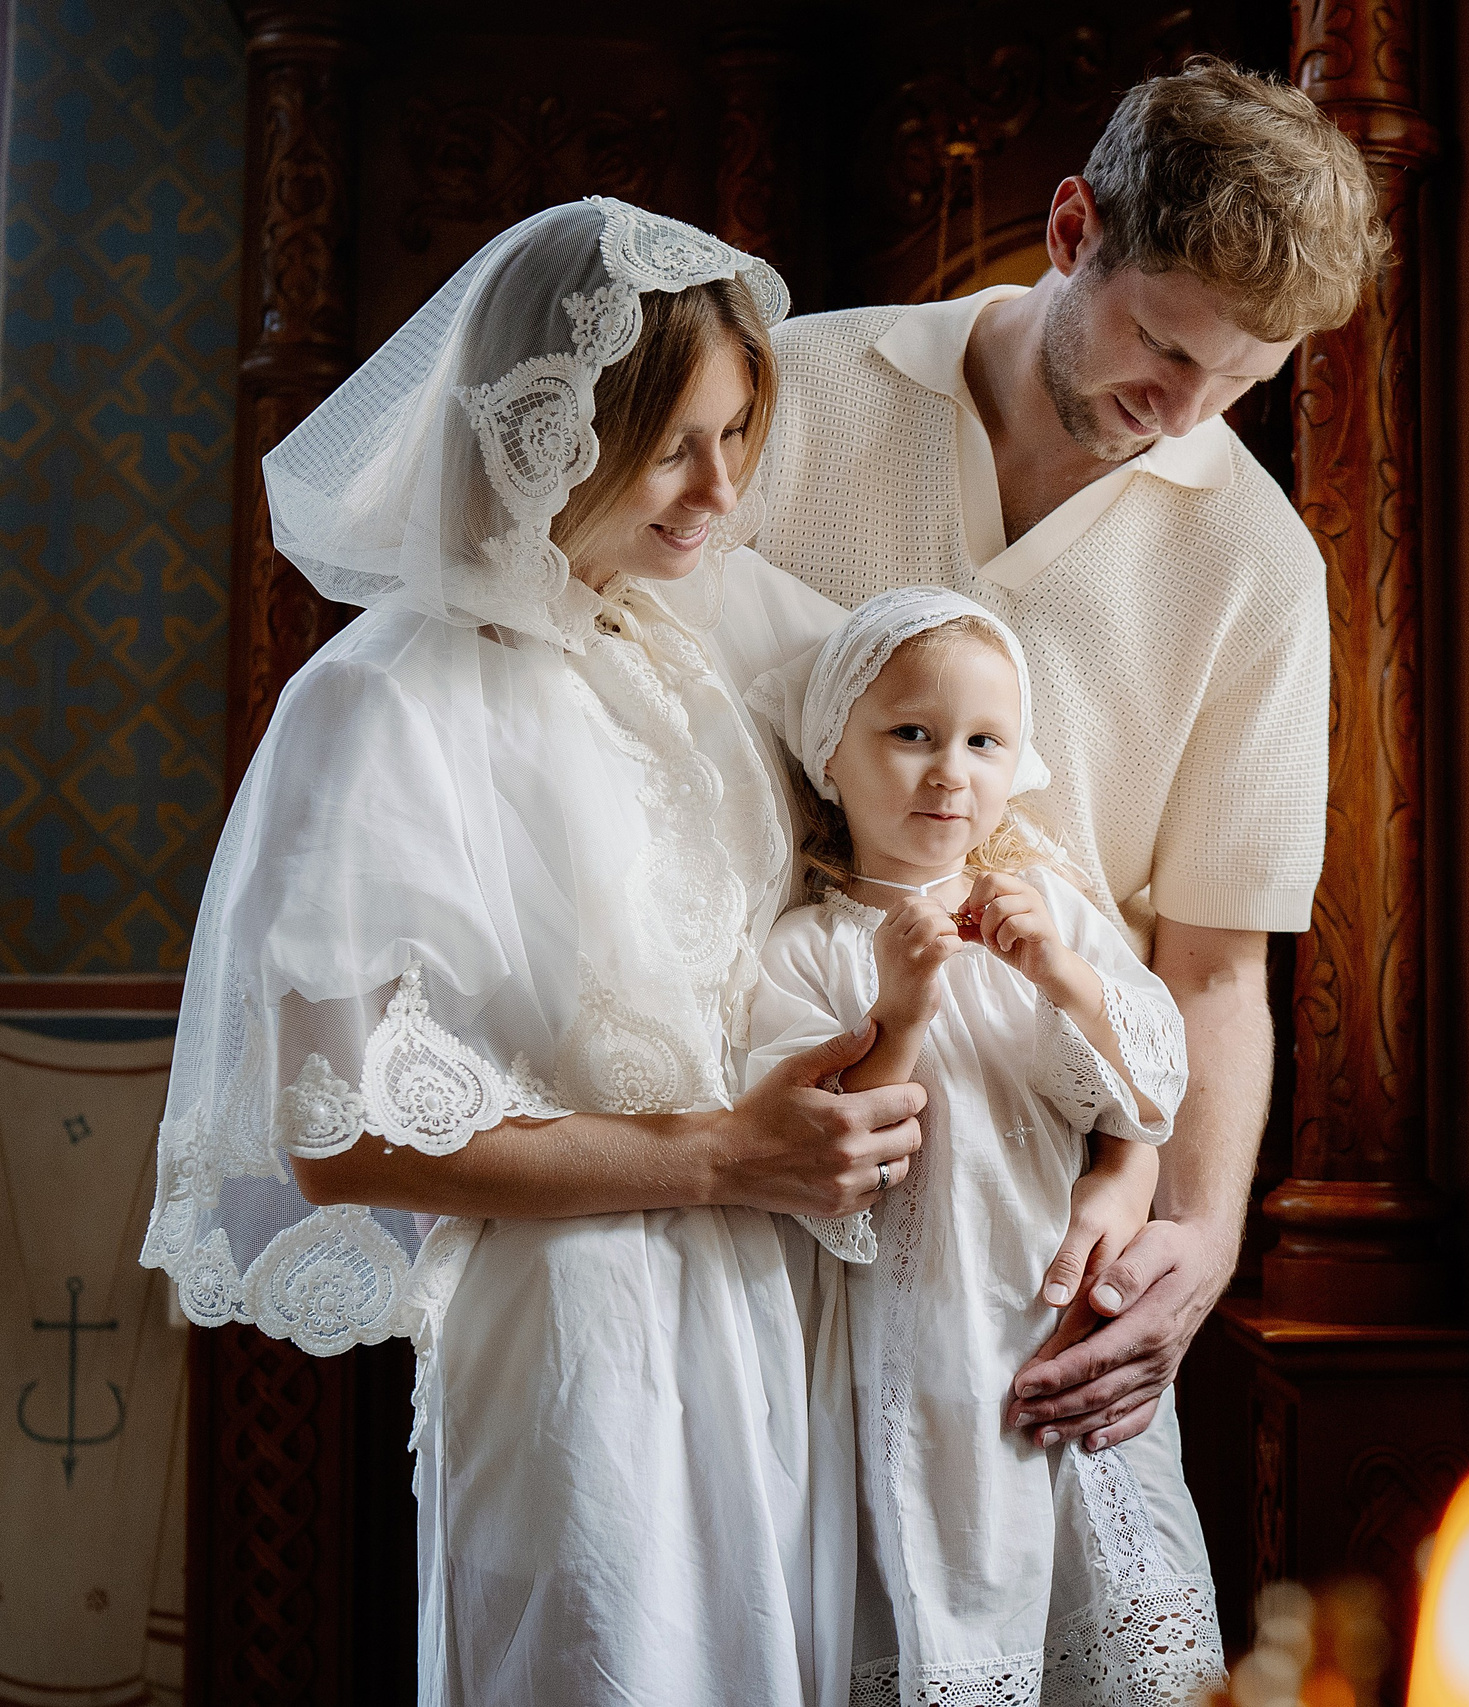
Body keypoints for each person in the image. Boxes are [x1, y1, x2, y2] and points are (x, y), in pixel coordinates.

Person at [140, 199, 923, 1707]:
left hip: (771, 1312)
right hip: (579, 1338)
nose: (718, 493)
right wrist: (717, 1155)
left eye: (740, 435)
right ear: (548, 422)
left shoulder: (686, 646)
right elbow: (342, 1131)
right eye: (675, 442)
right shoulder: (383, 704)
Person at [753, 56, 1390, 1461]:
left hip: (1027, 1233)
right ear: (1069, 231)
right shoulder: (785, 397)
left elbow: (1219, 963)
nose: (1188, 408)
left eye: (1245, 378)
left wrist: (1203, 1233)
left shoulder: (1260, 564)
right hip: (742, 1156)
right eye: (1166, 348)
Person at [743, 588, 1217, 1704]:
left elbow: (1147, 1091)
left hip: (1056, 1315)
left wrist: (1059, 973)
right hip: (920, 1336)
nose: (948, 770)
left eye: (982, 742)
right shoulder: (809, 949)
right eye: (910, 734)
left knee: (1106, 1570)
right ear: (830, 756)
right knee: (945, 1553)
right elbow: (830, 1173)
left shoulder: (1043, 906)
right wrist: (899, 1010)